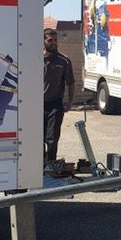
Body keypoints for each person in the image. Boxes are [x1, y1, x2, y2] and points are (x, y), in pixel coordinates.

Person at [43, 27, 75, 164]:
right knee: (37, 138)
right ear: (43, 41)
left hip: (55, 105)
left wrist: (70, 102)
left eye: (55, 40)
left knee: (52, 138)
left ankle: (50, 166)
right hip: (37, 104)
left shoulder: (64, 61)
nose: (54, 43)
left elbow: (71, 83)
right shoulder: (35, 59)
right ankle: (39, 167)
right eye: (50, 40)